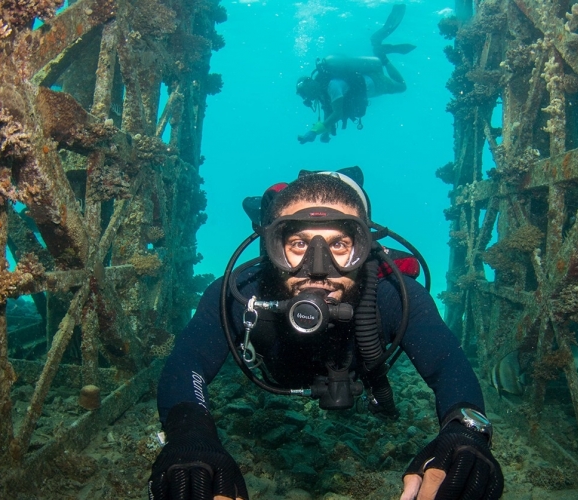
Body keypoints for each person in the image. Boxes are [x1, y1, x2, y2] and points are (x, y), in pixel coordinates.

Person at [148, 167, 504, 500]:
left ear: (365, 249)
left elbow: (447, 362)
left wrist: (466, 431)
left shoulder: (392, 295)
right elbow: (189, 360)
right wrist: (190, 433)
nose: (318, 270)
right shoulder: (241, 293)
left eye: (339, 245)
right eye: (299, 244)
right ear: (272, 246)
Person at [296, 4, 416, 144]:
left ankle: (382, 54)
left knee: (401, 87)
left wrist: (314, 132)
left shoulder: (332, 86)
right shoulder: (323, 91)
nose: (307, 97)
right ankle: (380, 52)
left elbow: (337, 113)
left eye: (305, 93)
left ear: (311, 83)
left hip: (375, 82)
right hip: (369, 85)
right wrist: (325, 133)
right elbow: (329, 110)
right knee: (400, 87)